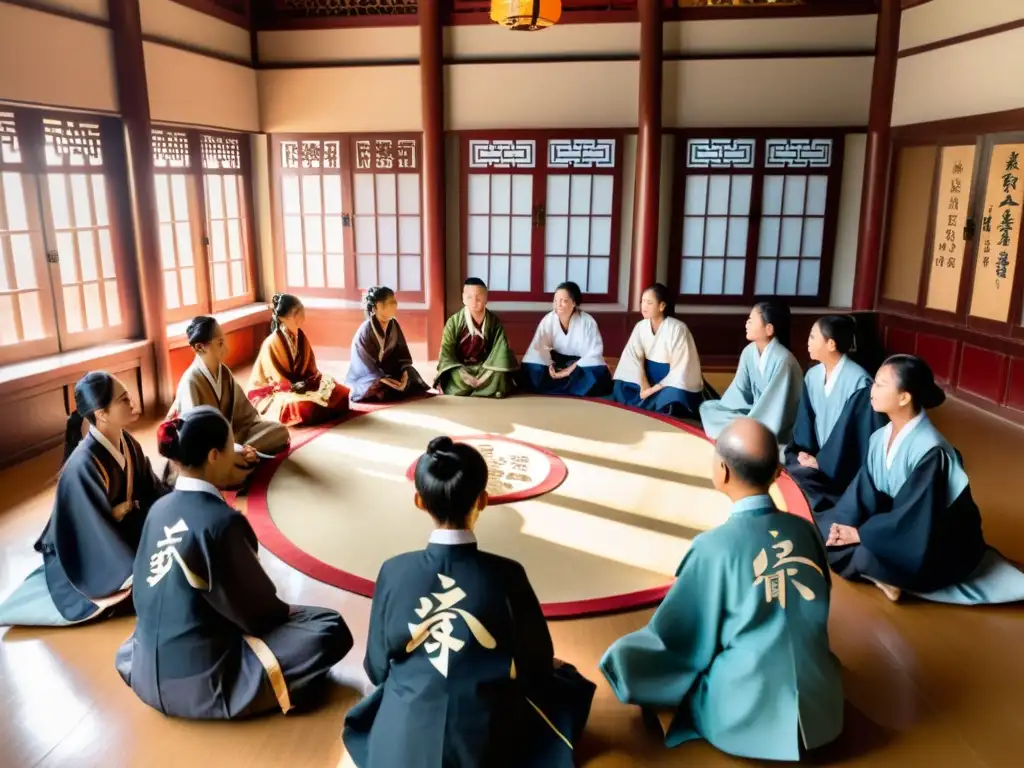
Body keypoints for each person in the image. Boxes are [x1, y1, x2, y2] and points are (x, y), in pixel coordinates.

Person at [342, 437, 596, 768]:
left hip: (401, 749)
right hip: (485, 742)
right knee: (568, 684)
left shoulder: (393, 570)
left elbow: (376, 668)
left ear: (419, 501)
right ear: (484, 500)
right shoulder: (507, 574)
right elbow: (536, 664)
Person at [600, 418, 842, 762]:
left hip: (747, 713)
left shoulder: (713, 547)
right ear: (777, 471)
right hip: (824, 710)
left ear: (724, 471)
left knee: (628, 655)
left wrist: (622, 657)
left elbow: (676, 637)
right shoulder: (805, 530)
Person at [115, 406, 353, 719]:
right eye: (232, 447)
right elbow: (257, 612)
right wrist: (290, 614)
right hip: (202, 681)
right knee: (328, 627)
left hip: (143, 669)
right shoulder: (220, 521)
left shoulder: (159, 508)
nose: (237, 453)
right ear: (214, 456)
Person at [818, 355, 1024, 604]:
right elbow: (863, 491)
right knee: (826, 534)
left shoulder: (930, 450)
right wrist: (843, 526)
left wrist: (861, 535)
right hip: (899, 526)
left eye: (881, 384)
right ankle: (879, 571)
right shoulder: (879, 438)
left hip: (939, 541)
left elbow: (915, 519)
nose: (872, 389)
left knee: (862, 554)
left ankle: (886, 576)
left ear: (904, 397)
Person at [0, 372, 168, 627]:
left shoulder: (128, 443)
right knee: (157, 584)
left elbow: (151, 490)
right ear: (101, 414)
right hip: (88, 553)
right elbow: (89, 531)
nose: (132, 401)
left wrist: (178, 508)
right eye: (123, 399)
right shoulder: (82, 466)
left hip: (119, 532)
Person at [784, 316, 886, 513]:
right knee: (791, 472)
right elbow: (805, 422)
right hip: (817, 458)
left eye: (813, 337)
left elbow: (860, 440)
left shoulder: (859, 383)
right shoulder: (813, 375)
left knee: (806, 491)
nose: (808, 342)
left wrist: (822, 462)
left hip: (843, 467)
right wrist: (805, 453)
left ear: (831, 344)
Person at [170, 316, 290, 461]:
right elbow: (194, 434)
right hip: (209, 449)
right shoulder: (191, 381)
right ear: (199, 347)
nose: (226, 349)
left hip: (234, 437)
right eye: (220, 343)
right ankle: (238, 457)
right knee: (210, 460)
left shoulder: (224, 372)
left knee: (280, 431)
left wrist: (237, 443)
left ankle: (239, 455)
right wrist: (228, 447)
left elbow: (245, 414)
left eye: (224, 341)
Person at [699, 300, 803, 444]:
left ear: (769, 329)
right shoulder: (749, 352)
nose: (746, 324)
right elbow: (739, 392)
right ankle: (747, 431)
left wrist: (751, 421)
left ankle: (751, 435)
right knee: (709, 408)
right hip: (755, 414)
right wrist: (743, 416)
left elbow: (778, 409)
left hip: (775, 421)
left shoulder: (784, 360)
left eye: (751, 320)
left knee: (753, 431)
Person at [246, 294, 349, 426]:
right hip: (277, 390)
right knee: (301, 406)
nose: (301, 316)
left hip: (301, 384)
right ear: (282, 318)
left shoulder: (300, 336)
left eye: (301, 311)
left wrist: (309, 382)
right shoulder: (272, 343)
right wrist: (294, 387)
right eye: (296, 313)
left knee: (338, 390)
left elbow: (310, 367)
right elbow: (277, 379)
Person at [611, 283, 711, 419]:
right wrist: (643, 384)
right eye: (642, 301)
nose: (644, 306)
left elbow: (681, 368)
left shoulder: (678, 329)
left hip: (670, 380)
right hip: (646, 375)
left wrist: (654, 388)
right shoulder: (640, 327)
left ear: (662, 306)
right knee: (620, 385)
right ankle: (649, 400)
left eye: (649, 302)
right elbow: (633, 357)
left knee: (675, 396)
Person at [520, 281, 611, 397]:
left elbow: (593, 354)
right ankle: (571, 387)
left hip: (579, 365)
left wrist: (568, 370)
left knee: (595, 374)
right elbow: (539, 347)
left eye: (564, 301)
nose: (558, 305)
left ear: (574, 303)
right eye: (555, 301)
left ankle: (563, 385)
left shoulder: (588, 322)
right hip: (555, 361)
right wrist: (549, 364)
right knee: (532, 369)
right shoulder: (548, 319)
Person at [434, 278, 518, 398]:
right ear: (463, 298)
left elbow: (501, 351)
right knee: (452, 374)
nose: (474, 302)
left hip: (487, 368)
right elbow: (446, 353)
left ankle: (479, 387)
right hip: (461, 369)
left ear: (486, 299)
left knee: (499, 373)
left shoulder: (494, 322)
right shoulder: (454, 322)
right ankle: (487, 390)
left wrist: (485, 375)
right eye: (469, 297)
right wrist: (462, 374)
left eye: (478, 298)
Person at [346, 285, 430, 403]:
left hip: (387, 372)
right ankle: (388, 389)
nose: (395, 304)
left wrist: (403, 371)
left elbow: (401, 354)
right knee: (374, 386)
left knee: (410, 374)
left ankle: (391, 389)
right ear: (377, 306)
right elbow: (363, 364)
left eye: (395, 301)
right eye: (391, 302)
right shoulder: (365, 330)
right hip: (366, 376)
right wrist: (383, 379)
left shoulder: (394, 325)